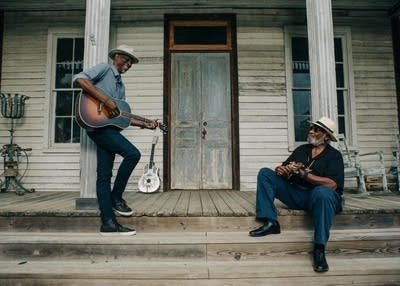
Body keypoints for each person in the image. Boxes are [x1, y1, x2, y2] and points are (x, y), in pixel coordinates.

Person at [74, 45, 158, 236]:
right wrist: (106, 100)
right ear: (117, 57)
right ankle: (116, 197)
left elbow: (120, 116)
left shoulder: (121, 86)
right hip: (97, 128)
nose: (128, 65)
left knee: (103, 176)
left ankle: (108, 223)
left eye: (131, 63)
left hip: (108, 128)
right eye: (126, 60)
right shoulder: (104, 69)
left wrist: (146, 124)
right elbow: (79, 79)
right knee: (133, 154)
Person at [249, 116, 344, 273]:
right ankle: (271, 222)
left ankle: (319, 249)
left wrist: (304, 174)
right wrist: (281, 170)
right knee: (265, 173)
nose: (311, 132)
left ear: (326, 136)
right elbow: (285, 170)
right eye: (311, 129)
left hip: (321, 198)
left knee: (323, 192)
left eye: (316, 130)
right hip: (299, 195)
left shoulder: (334, 156)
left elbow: (332, 184)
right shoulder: (301, 150)